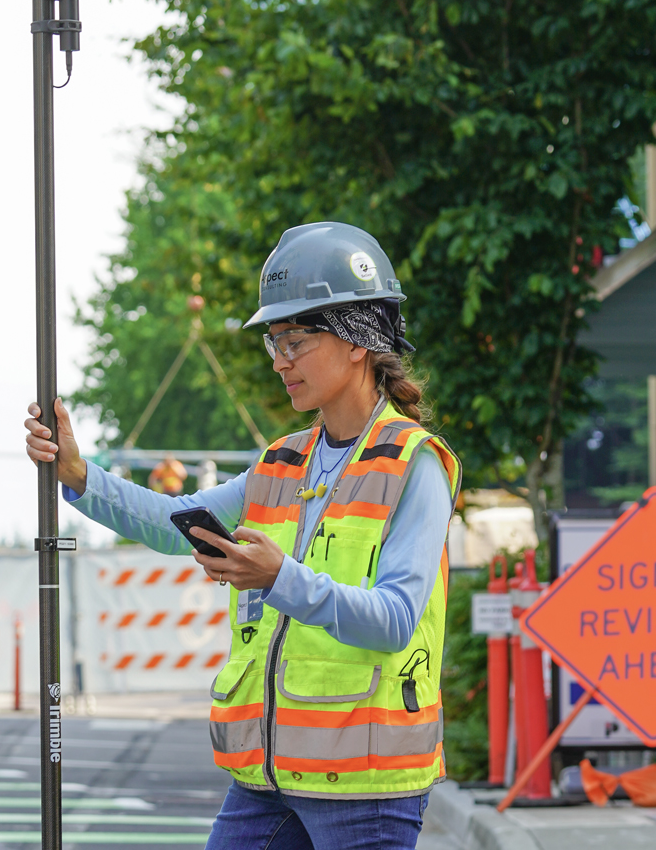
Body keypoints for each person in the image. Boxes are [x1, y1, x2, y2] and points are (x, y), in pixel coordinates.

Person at [25, 222, 461, 849]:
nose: (281, 358)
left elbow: (394, 620)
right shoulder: (282, 461)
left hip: (364, 787)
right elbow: (175, 523)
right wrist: (78, 474)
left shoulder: (415, 465)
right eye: (273, 342)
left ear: (358, 338)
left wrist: (278, 578)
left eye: (296, 339)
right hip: (266, 779)